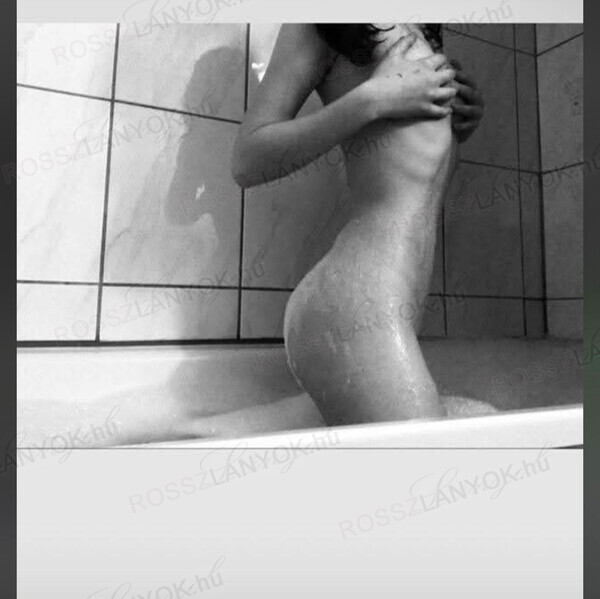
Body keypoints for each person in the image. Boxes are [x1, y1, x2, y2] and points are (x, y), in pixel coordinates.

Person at [232, 24, 491, 425]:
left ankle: (213, 432)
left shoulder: (419, 31)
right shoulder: (322, 19)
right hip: (353, 306)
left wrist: (456, 124)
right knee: (431, 454)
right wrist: (374, 98)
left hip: (392, 306)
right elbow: (247, 160)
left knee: (481, 422)